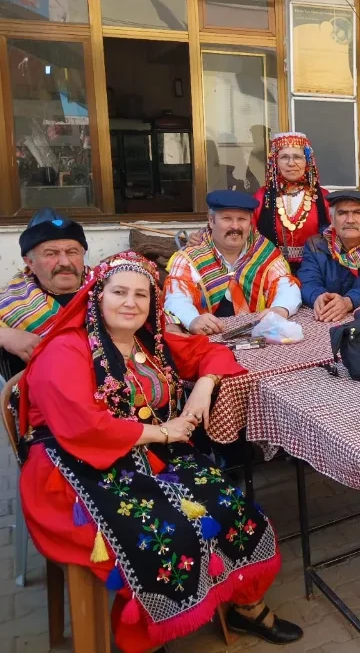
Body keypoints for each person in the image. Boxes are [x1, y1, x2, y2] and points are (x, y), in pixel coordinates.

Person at [16, 251, 303, 652]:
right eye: (119, 292)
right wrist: (164, 432)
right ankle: (143, 637)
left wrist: (203, 386)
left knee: (231, 507)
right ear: (97, 296)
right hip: (75, 465)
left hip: (150, 450)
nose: (130, 303)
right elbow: (82, 426)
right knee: (157, 535)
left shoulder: (147, 342)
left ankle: (245, 605)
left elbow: (211, 352)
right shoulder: (66, 348)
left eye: (141, 295)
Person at [164, 190, 301, 335]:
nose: (235, 226)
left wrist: (280, 309)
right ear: (211, 221)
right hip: (207, 339)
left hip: (259, 336)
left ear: (250, 222)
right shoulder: (190, 256)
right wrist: (192, 319)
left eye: (242, 219)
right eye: (227, 219)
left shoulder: (264, 251)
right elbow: (176, 297)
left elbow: (286, 285)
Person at [0, 208, 89, 380]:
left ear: (83, 254)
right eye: (51, 254)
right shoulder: (10, 300)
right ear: (30, 262)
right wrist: (5, 335)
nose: (64, 262)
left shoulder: (109, 288)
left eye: (72, 252)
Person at [299, 190, 360, 323]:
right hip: (326, 316)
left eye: (357, 213)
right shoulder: (315, 244)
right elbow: (308, 281)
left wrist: (348, 301)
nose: (350, 220)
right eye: (342, 213)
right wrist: (319, 297)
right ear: (332, 220)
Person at [253, 131, 331, 272]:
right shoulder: (262, 196)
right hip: (271, 270)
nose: (291, 163)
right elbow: (244, 229)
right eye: (284, 157)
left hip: (316, 271)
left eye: (297, 157)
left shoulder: (323, 197)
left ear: (307, 161)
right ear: (275, 162)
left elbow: (341, 230)